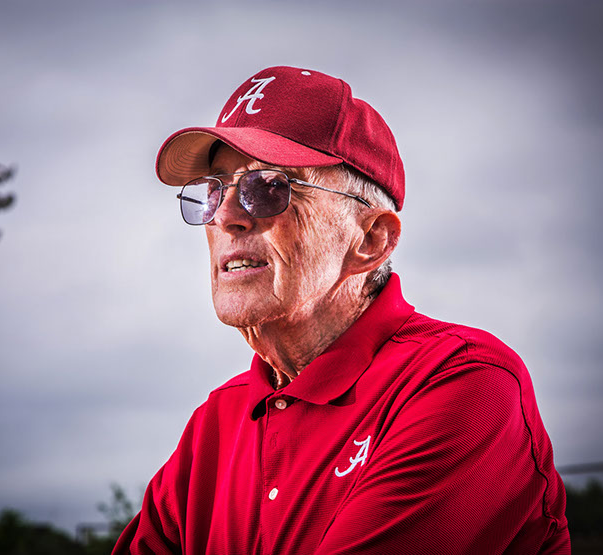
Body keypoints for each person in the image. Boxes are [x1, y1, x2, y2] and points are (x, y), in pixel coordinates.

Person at [114, 66, 570, 554]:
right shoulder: (216, 421)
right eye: (215, 189)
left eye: (270, 186)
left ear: (372, 238)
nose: (225, 215)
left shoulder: (464, 383)